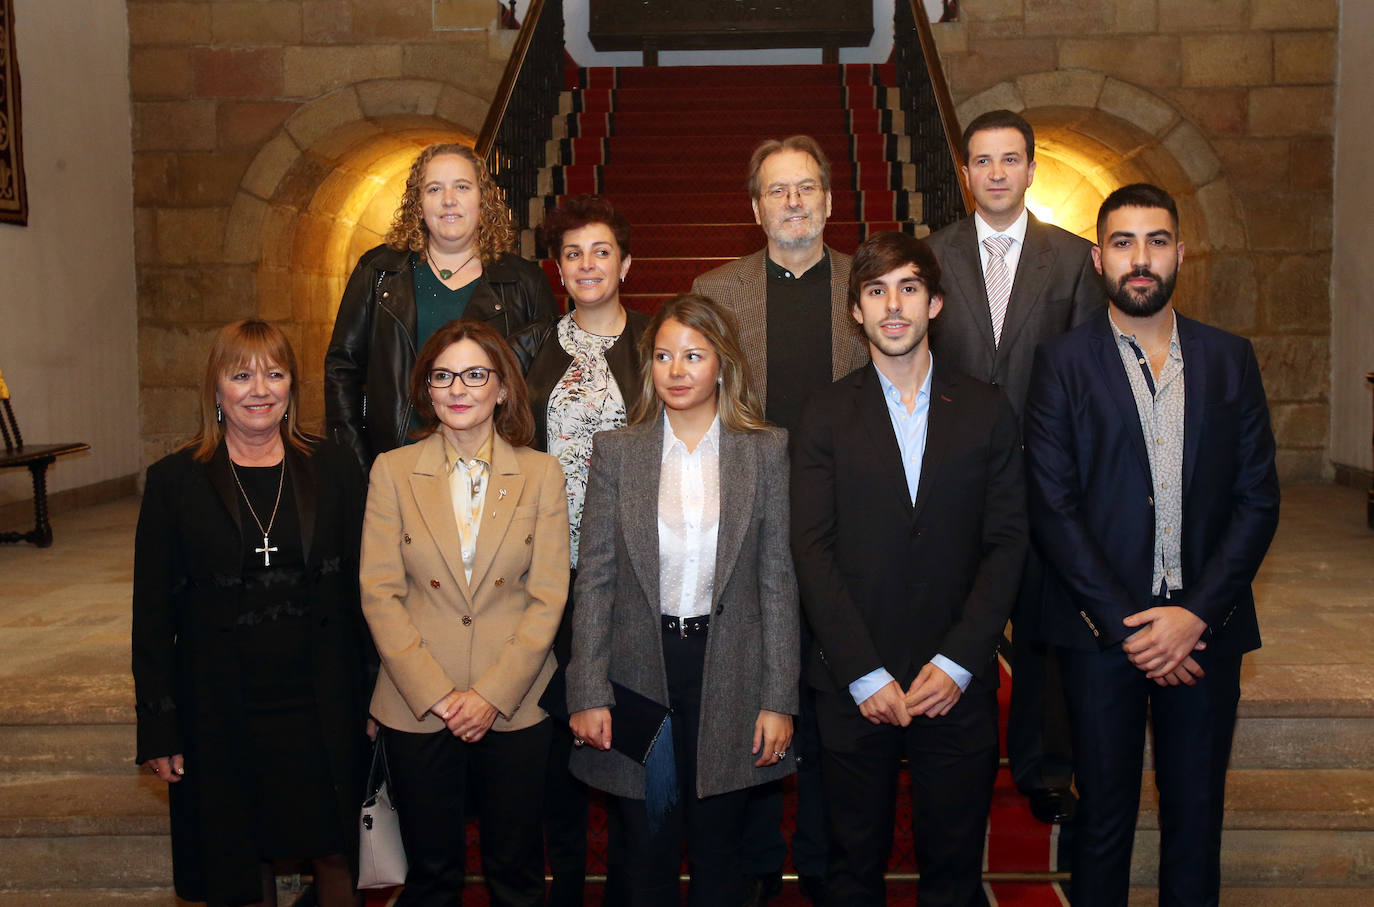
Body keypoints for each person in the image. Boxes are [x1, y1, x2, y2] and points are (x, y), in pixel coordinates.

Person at [1023, 184, 1279, 905]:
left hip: (1207, 634)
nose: (1141, 259)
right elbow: (1053, 506)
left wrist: (1195, 614)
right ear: (1100, 256)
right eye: (1124, 243)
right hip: (1102, 637)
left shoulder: (1231, 359)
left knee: (1195, 822)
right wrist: (1131, 625)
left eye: (1156, 241)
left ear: (1180, 252)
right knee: (1101, 820)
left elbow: (1258, 499)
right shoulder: (1062, 362)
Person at [791, 232, 1027, 906]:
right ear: (857, 312)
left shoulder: (985, 408)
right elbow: (811, 547)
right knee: (850, 869)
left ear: (936, 303)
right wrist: (862, 671)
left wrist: (957, 663)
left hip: (956, 683)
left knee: (952, 874)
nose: (893, 305)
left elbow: (1007, 542)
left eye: (908, 288)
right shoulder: (825, 414)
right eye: (875, 291)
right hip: (852, 683)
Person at [566, 294, 800, 907]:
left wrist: (779, 698)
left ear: (722, 363)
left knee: (720, 853)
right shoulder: (618, 452)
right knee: (646, 850)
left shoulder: (765, 450)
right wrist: (587, 689)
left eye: (693, 355)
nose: (677, 370)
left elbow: (777, 581)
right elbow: (595, 579)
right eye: (665, 355)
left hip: (730, 671)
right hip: (641, 669)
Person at [133, 319, 370, 907]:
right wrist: (159, 725)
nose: (259, 388)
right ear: (216, 388)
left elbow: (368, 593)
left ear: (292, 386)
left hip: (321, 700)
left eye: (275, 373)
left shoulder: (336, 469)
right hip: (221, 703)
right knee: (240, 855)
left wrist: (378, 694)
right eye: (241, 375)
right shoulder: (174, 481)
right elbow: (152, 615)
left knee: (337, 849)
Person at [691, 134, 867, 904]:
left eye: (806, 188)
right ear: (754, 206)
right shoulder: (717, 290)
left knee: (832, 707)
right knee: (751, 696)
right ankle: (759, 865)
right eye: (776, 190)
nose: (793, 202)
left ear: (829, 201)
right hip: (748, 527)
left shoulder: (871, 284)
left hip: (847, 529)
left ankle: (826, 863)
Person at [926, 108, 1105, 825]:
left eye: (1009, 159)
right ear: (965, 173)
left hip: (1046, 476)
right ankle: (950, 750)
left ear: (1031, 168)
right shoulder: (930, 255)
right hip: (953, 477)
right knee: (951, 618)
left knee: (1041, 632)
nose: (996, 172)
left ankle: (1044, 767)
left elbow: (1091, 372)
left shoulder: (1073, 258)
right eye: (982, 160)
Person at [359, 320, 569, 907]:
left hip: (515, 700)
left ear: (502, 388)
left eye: (475, 374)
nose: (458, 388)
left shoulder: (540, 474)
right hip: (417, 701)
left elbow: (548, 595)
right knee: (431, 876)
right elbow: (379, 591)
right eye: (443, 375)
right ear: (426, 389)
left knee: (517, 871)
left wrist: (492, 695)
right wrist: (439, 694)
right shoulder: (392, 471)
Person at [526, 194, 649, 906]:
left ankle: (632, 887)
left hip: (634, 575)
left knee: (628, 741)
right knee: (556, 747)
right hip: (551, 575)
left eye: (601, 250)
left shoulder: (657, 346)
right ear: (559, 269)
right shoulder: (534, 350)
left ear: (625, 263)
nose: (587, 263)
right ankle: (565, 885)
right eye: (573, 253)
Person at [325, 141, 557, 470]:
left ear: (483, 199)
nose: (449, 200)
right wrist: (357, 464)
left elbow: (543, 388)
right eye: (434, 189)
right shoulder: (378, 272)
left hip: (493, 473)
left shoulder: (525, 282)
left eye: (462, 187)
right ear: (418, 203)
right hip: (396, 469)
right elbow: (342, 371)